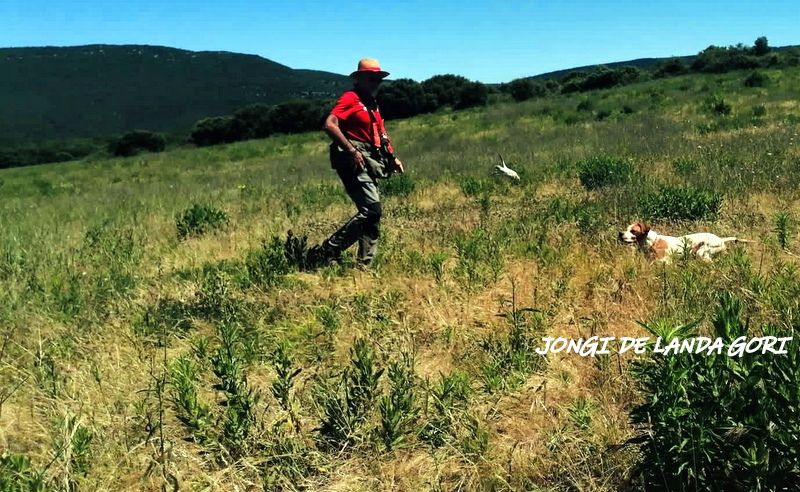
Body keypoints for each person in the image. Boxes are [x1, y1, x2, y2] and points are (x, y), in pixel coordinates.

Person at [305, 58, 404, 269]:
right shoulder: (351, 98)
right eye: (371, 78)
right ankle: (328, 250)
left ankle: (363, 267)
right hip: (353, 158)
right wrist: (351, 150)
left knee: (372, 215)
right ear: (359, 79)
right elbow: (329, 124)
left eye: (378, 79)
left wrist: (392, 157)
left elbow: (380, 133)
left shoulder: (372, 103)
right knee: (372, 209)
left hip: (370, 156)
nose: (376, 82)